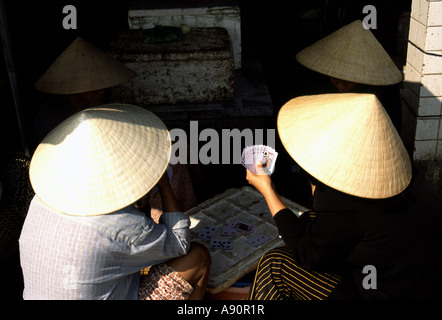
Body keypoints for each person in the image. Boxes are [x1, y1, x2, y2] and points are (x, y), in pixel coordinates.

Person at [245, 93, 442, 299]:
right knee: (308, 220)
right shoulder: (401, 172)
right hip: (413, 277)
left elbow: (308, 256)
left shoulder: (343, 201)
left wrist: (268, 189)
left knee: (275, 263)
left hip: (378, 288)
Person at [19, 104, 211, 300]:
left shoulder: (42, 200)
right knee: (198, 256)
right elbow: (179, 243)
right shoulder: (124, 226)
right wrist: (164, 184)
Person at [295, 20, 403, 133]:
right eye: (335, 79)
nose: (340, 86)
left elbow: (392, 128)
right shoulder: (317, 82)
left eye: (347, 81)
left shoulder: (384, 91)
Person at [31, 36, 136, 150]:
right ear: (73, 91)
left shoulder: (103, 102)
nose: (102, 91)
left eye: (102, 86)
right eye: (94, 88)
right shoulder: (50, 120)